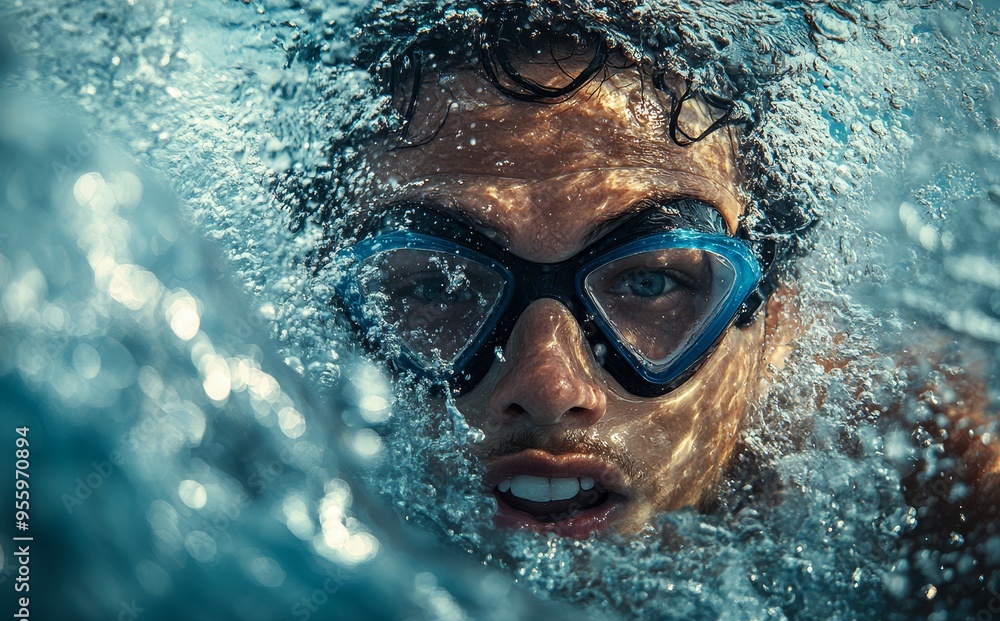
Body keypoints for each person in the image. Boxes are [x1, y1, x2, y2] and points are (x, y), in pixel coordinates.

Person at [319, 4, 999, 546]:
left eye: (649, 282)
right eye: (437, 285)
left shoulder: (926, 473)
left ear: (777, 319)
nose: (548, 388)